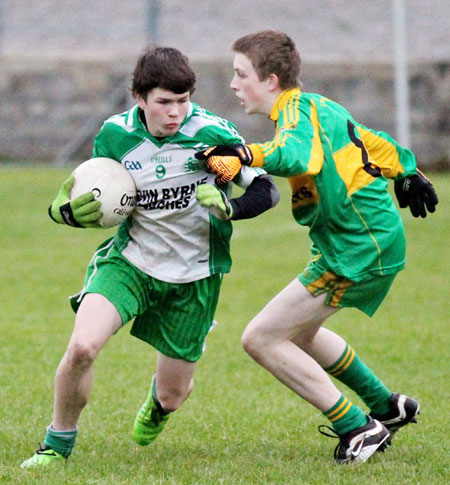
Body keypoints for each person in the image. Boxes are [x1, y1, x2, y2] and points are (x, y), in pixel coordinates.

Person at [21, 44, 279, 468]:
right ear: (140, 99)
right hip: (131, 262)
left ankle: (159, 405)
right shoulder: (116, 136)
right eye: (164, 102)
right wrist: (61, 211)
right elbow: (92, 190)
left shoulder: (210, 138)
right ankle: (56, 444)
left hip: (195, 275)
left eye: (183, 101)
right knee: (83, 346)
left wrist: (229, 205)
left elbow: (264, 190)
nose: (175, 112)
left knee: (172, 394)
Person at [197, 30, 438, 465]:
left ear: (270, 80)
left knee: (261, 338)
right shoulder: (318, 104)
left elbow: (296, 155)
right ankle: (387, 406)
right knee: (300, 332)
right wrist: (407, 167)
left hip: (358, 248)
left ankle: (359, 427)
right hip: (357, 242)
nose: (233, 84)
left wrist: (243, 154)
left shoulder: (294, 116)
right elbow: (368, 138)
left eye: (240, 74)